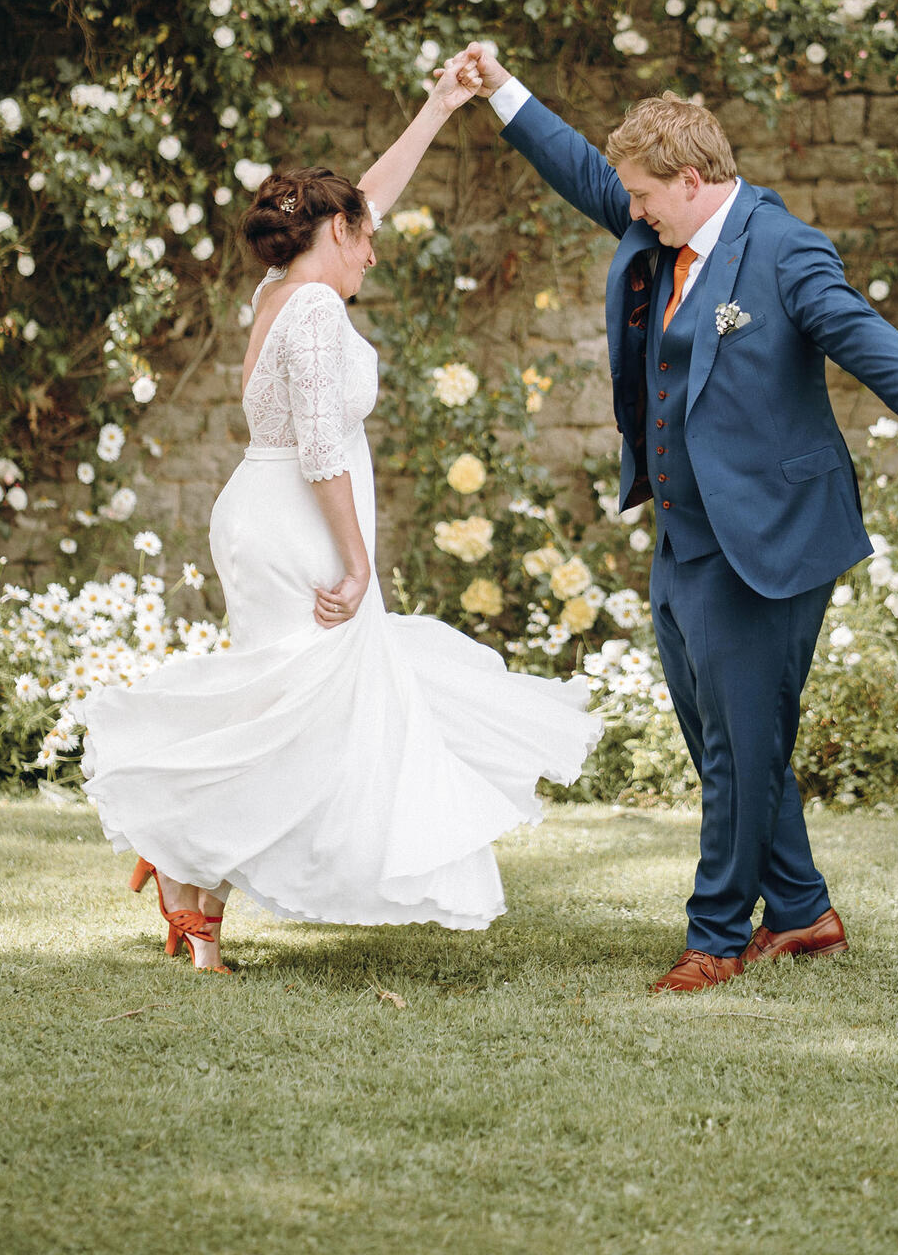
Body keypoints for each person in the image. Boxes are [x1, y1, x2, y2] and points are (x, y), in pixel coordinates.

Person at [466, 48, 898, 993]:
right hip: (687, 535)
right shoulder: (661, 222)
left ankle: (714, 938)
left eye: (647, 197)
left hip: (772, 535)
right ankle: (805, 912)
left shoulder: (784, 248)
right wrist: (498, 89)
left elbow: (854, 327)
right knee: (722, 738)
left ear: (692, 181)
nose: (635, 211)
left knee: (742, 747)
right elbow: (585, 168)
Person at [82, 51, 600, 973]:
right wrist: (358, 565)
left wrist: (439, 106)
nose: (375, 248)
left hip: (259, 508)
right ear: (338, 234)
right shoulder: (316, 309)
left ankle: (190, 889)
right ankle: (181, 856)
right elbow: (323, 449)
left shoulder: (280, 290)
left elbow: (365, 197)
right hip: (295, 521)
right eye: (368, 238)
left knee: (284, 706)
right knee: (299, 712)